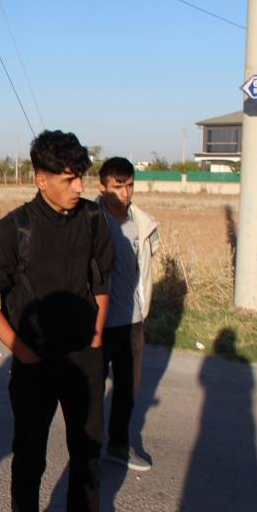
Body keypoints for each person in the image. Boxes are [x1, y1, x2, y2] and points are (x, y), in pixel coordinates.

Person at [0, 130, 119, 512]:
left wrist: (96, 338)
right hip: (35, 364)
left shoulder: (94, 220)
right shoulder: (14, 229)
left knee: (87, 450)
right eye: (70, 179)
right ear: (41, 179)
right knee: (29, 453)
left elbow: (101, 283)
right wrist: (22, 351)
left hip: (85, 359)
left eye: (82, 178)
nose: (80, 188)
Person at [96, 157, 159, 472]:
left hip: (133, 322)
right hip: (99, 324)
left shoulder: (142, 223)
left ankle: (118, 446)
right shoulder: (90, 222)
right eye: (117, 186)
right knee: (91, 393)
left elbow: (145, 264)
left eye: (129, 185)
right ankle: (87, 451)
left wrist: (144, 308)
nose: (125, 192)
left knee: (126, 391)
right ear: (102, 187)